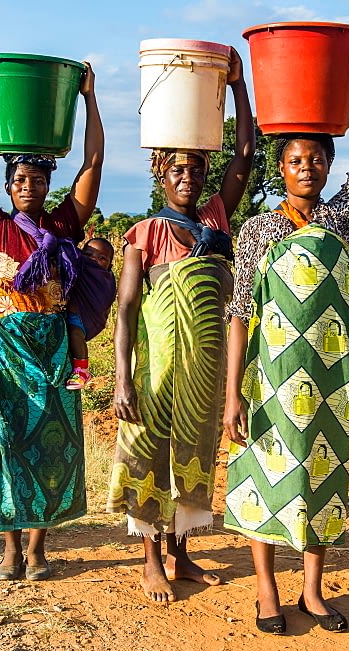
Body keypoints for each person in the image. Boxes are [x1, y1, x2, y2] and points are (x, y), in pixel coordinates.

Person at [221, 22, 349, 633]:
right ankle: (267, 590)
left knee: (321, 475)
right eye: (296, 160)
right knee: (262, 479)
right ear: (282, 167)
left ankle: (312, 591)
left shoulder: (341, 216)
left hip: (325, 378)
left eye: (317, 159)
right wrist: (231, 394)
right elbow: (241, 310)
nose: (307, 168)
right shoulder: (258, 231)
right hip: (269, 380)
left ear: (327, 164)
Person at [0, 51, 104, 581]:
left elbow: (93, 167)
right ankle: (10, 546)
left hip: (54, 346)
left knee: (53, 445)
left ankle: (38, 547)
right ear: (9, 186)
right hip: (7, 348)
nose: (30, 187)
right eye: (20, 180)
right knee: (7, 439)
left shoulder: (62, 226)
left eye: (38, 179)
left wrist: (88, 98)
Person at [108, 46, 254, 603]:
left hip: (204, 371)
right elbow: (125, 310)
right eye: (177, 169)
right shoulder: (143, 233)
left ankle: (183, 554)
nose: (187, 177)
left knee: (193, 453)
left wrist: (238, 87)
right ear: (160, 176)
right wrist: (122, 378)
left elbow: (246, 151)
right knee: (152, 455)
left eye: (195, 168)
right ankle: (151, 561)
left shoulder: (217, 218)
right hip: (158, 371)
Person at [65, 236, 116, 390]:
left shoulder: (105, 280)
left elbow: (103, 300)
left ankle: (82, 370)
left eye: (101, 258)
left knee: (75, 334)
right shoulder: (76, 265)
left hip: (82, 317)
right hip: (65, 314)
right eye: (88, 255)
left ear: (109, 265)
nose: (93, 260)